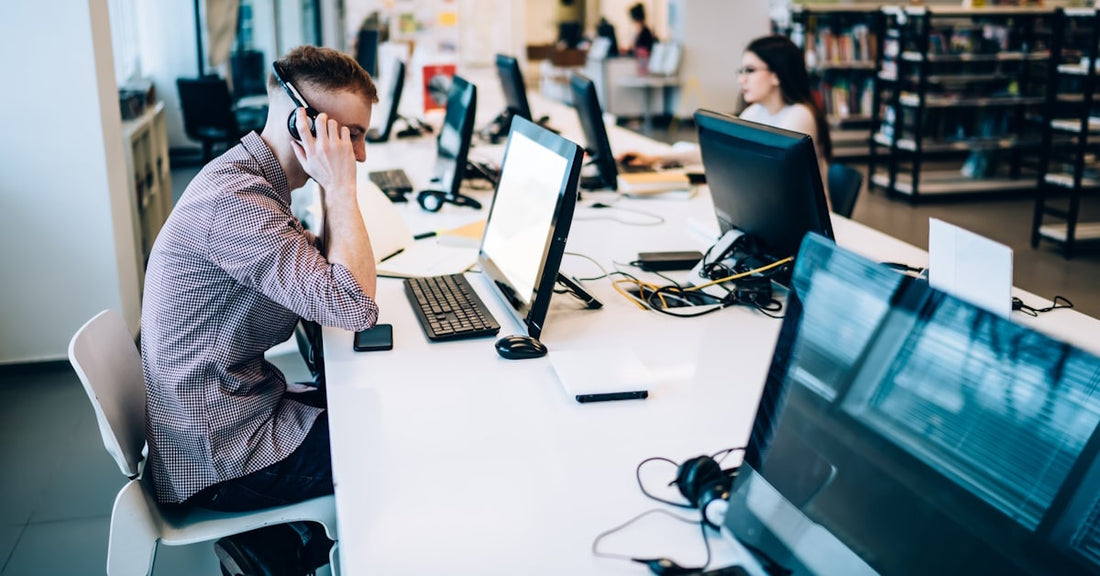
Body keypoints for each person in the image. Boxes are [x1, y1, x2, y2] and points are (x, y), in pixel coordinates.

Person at [141, 45, 380, 574]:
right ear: (305, 126)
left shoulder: (255, 178)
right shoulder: (235, 201)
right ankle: (285, 551)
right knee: (397, 439)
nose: (359, 156)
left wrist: (331, 191)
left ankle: (284, 543)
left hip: (233, 410)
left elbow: (319, 272)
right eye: (353, 137)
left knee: (382, 403)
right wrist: (341, 186)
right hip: (221, 456)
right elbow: (354, 305)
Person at [619, 35, 832, 199]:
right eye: (741, 71)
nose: (742, 80)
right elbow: (720, 152)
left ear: (776, 75)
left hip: (804, 230)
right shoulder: (756, 111)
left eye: (750, 70)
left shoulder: (799, 116)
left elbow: (769, 175)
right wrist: (656, 159)